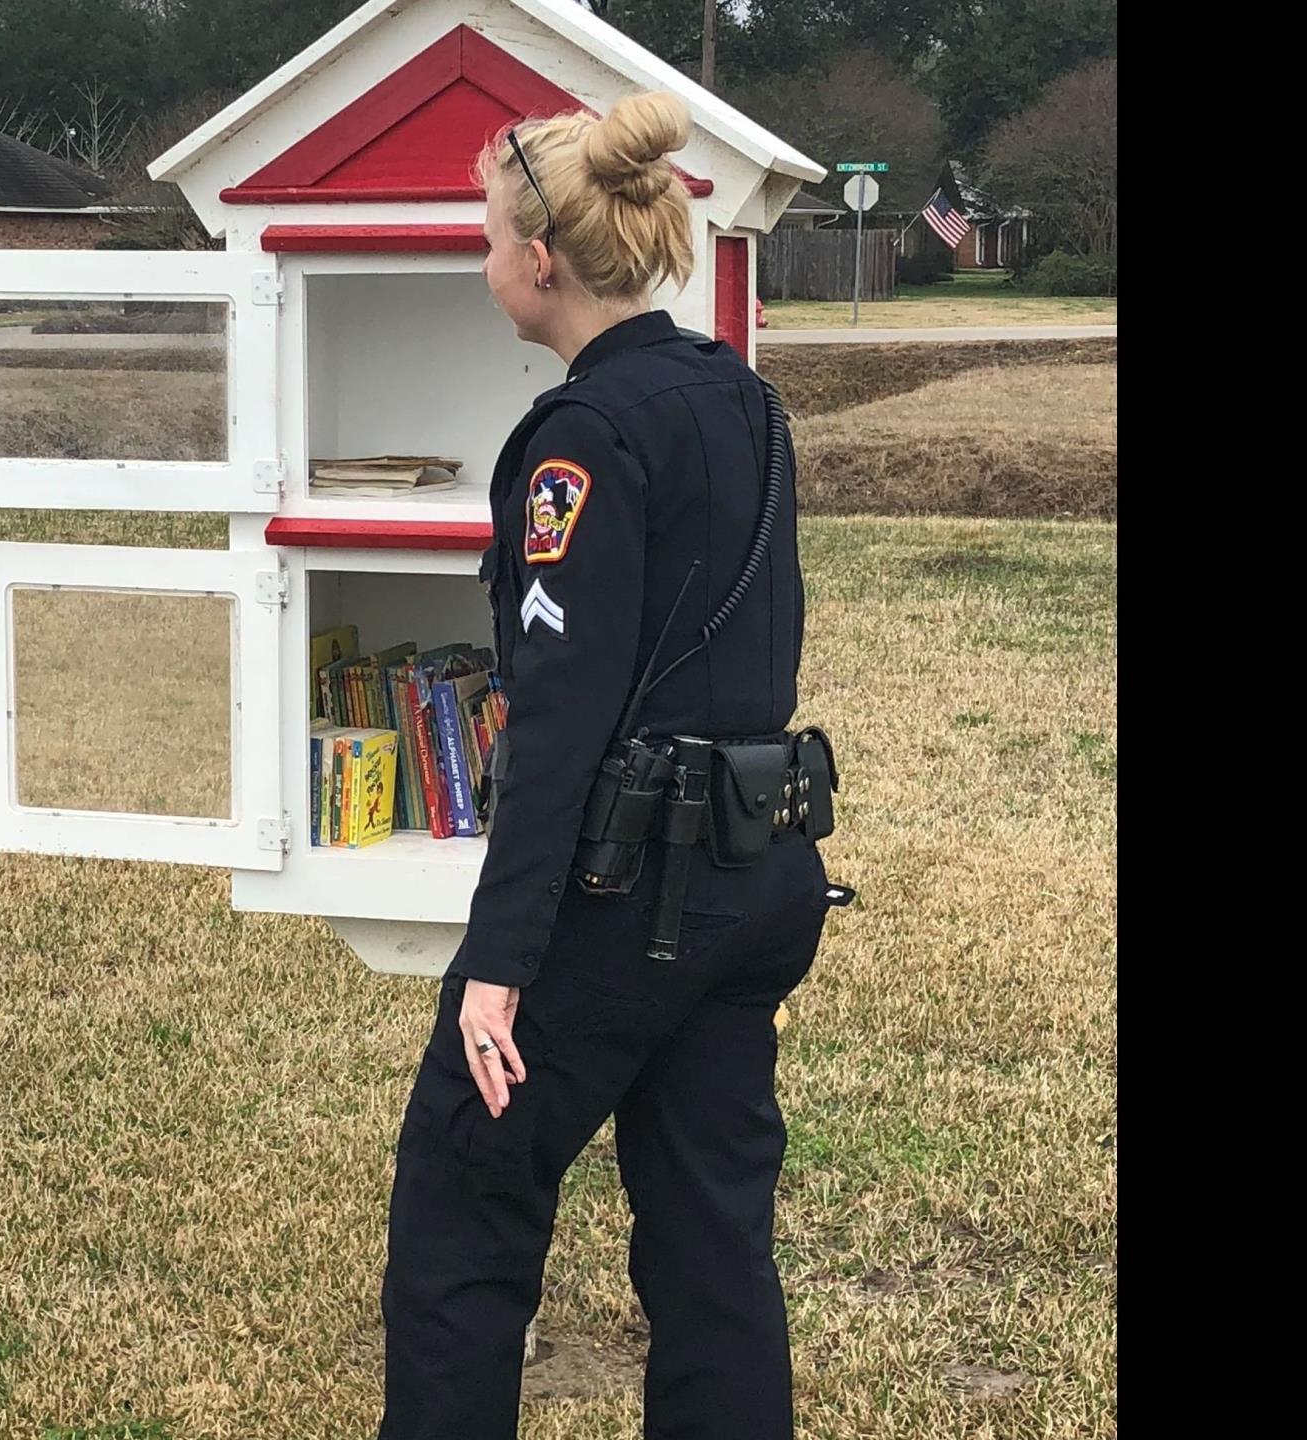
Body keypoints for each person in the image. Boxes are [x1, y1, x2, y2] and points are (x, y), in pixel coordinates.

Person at [378, 93, 851, 1439]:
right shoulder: (743, 401)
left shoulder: (580, 441)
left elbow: (562, 720)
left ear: (541, 261)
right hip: (759, 880)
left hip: (625, 899)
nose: (482, 263)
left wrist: (499, 964)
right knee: (712, 1244)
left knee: (462, 1211)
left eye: (486, 238)